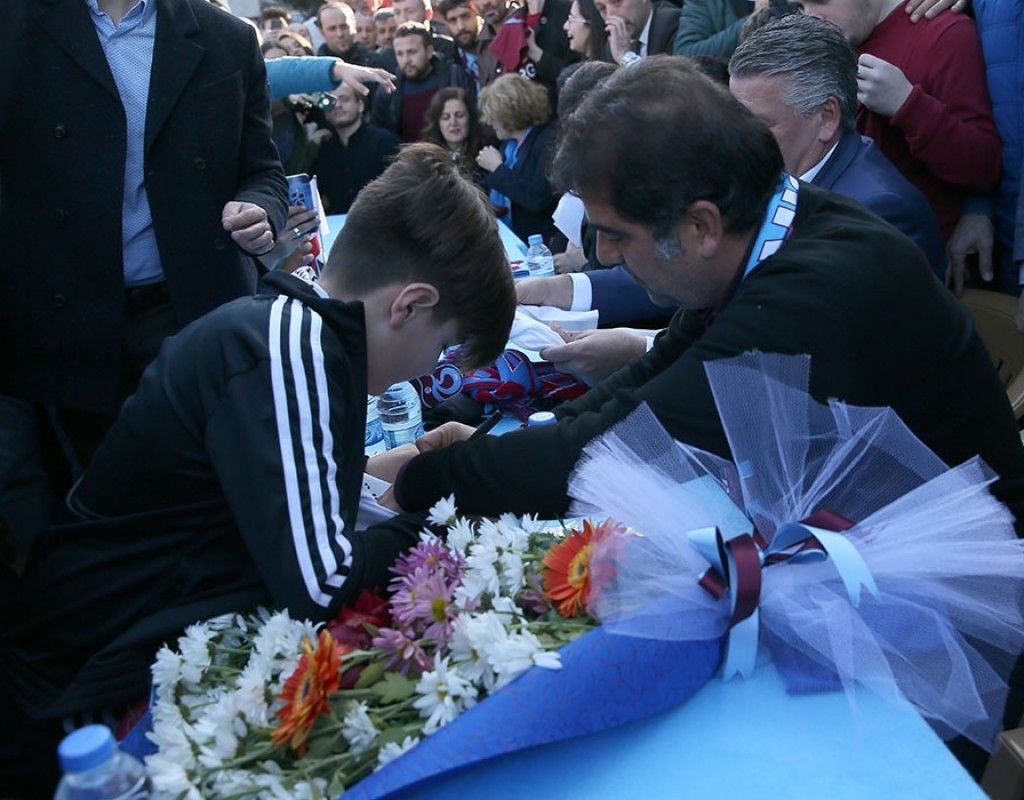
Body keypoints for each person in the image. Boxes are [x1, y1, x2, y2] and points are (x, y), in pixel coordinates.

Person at [0, 144, 517, 797]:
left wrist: (401, 465)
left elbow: (277, 487)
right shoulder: (290, 348)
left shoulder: (296, 330)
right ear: (409, 305)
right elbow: (323, 584)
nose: (427, 369)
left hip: (112, 659)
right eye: (442, 346)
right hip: (80, 703)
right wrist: (456, 503)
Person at [382, 58, 1024, 563]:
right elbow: (647, 378)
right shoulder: (764, 231)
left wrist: (423, 479)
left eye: (616, 234)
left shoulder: (811, 289)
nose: (603, 254)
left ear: (701, 226)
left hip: (953, 590)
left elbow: (624, 441)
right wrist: (493, 444)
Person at [0, 0, 289, 552]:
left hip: (190, 318)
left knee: (202, 512)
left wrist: (260, 209)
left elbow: (263, 169)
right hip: (65, 330)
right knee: (93, 519)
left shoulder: (227, 38)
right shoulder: (18, 27)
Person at [729, 14, 947, 276]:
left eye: (758, 124)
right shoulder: (759, 178)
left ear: (827, 117)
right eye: (734, 119)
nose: (739, 138)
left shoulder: (877, 215)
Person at [800, 0, 1001, 241]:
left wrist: (907, 105)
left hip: (919, 249)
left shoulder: (946, 34)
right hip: (847, 241)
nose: (810, 16)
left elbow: (984, 167)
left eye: (819, 1)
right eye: (800, 6)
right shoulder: (834, 41)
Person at [477, 74, 559, 242]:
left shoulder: (547, 142)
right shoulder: (508, 146)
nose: (490, 122)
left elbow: (537, 198)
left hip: (540, 242)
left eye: (493, 115)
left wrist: (497, 168)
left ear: (509, 112)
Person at [371, 22, 477, 141]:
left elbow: (475, 117)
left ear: (429, 51)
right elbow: (379, 134)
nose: (406, 60)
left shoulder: (455, 77)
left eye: (412, 52)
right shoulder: (388, 89)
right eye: (400, 54)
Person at [311, 83, 403, 212]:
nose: (337, 105)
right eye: (330, 101)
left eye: (345, 99)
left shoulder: (385, 143)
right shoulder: (323, 151)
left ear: (360, 105)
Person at [422, 86, 489, 177]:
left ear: (470, 118)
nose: (453, 123)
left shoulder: (485, 153)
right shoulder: (426, 159)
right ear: (437, 123)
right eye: (446, 117)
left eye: (459, 115)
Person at [438, 0, 502, 90]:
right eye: (453, 20)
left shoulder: (499, 47)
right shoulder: (448, 61)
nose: (460, 27)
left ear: (478, 14)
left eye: (465, 17)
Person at [596, 0, 677, 65]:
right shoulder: (614, 46)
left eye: (617, 1)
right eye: (602, 8)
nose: (610, 15)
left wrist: (625, 56)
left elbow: (664, 80)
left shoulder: (673, 24)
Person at [317, 1, 385, 66]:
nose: (340, 34)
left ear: (354, 25)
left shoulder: (374, 61)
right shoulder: (315, 67)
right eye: (332, 29)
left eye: (344, 27)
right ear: (322, 32)